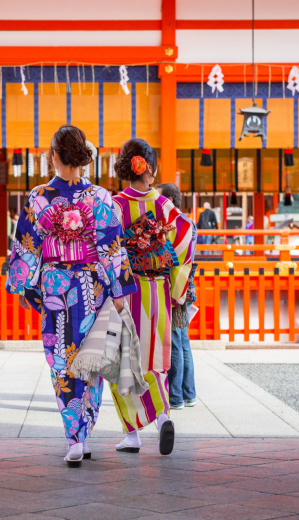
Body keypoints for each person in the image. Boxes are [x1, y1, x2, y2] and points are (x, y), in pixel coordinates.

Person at [6, 125, 136, 467]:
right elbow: (112, 248)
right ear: (82, 157)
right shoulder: (101, 198)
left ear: (53, 157)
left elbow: (26, 246)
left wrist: (22, 285)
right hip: (91, 287)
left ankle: (75, 437)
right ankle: (84, 430)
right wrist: (119, 290)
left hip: (55, 288)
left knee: (62, 361)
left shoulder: (38, 197)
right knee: (89, 359)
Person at [110, 140, 194, 456]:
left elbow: (109, 250)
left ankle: (134, 433)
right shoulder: (163, 205)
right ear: (152, 168)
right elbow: (186, 235)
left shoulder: (116, 205)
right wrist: (176, 289)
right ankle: (161, 419)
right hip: (157, 290)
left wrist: (112, 288)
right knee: (154, 359)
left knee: (123, 362)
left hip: (126, 293)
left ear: (123, 168)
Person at [159, 183, 197, 410]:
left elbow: (172, 258)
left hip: (176, 286)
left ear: (170, 201)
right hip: (187, 285)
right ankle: (188, 394)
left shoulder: (176, 224)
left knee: (175, 341)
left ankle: (175, 397)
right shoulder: (188, 222)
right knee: (182, 342)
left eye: (162, 200)